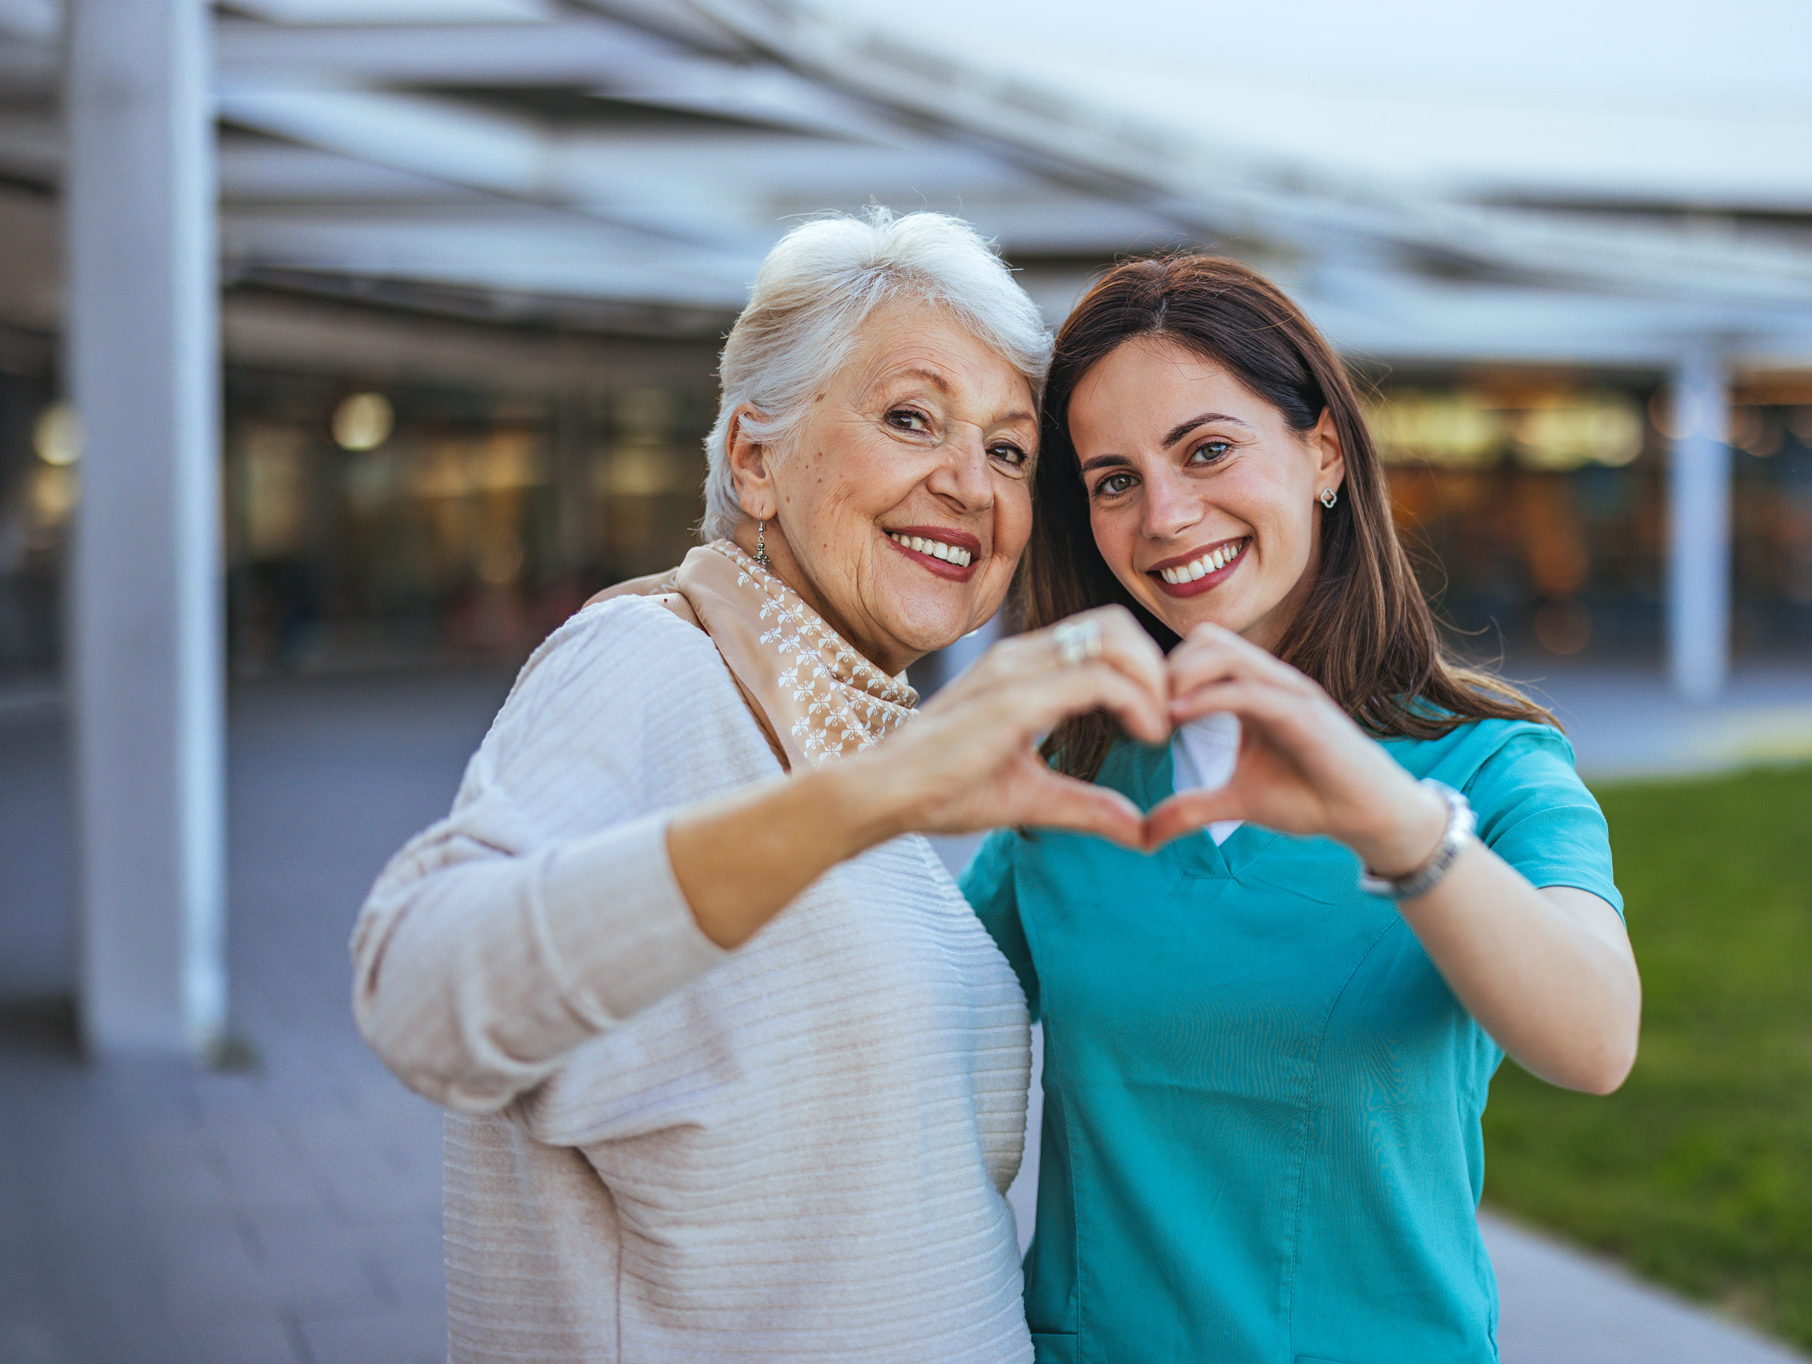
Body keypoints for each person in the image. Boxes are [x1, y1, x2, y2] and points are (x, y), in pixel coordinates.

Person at [352, 209, 1168, 1363]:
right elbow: (418, 988)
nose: (970, 485)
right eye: (910, 417)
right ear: (754, 458)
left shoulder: (852, 742)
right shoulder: (653, 657)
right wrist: (865, 801)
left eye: (1008, 450)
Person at [960, 254, 1641, 1364]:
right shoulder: (1070, 772)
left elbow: (1598, 1037)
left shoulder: (1490, 767)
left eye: (1209, 448)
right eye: (1114, 479)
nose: (1167, 515)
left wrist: (1393, 822)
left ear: (1323, 449)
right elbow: (896, 1016)